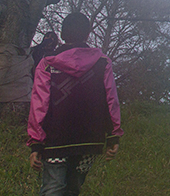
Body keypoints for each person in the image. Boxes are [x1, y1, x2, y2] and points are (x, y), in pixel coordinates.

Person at [28, 12, 123, 196]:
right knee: (73, 189)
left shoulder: (47, 64)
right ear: (88, 35)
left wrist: (36, 144)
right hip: (90, 139)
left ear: (62, 35)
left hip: (56, 140)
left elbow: (39, 105)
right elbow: (111, 100)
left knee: (53, 189)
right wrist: (113, 135)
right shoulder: (102, 63)